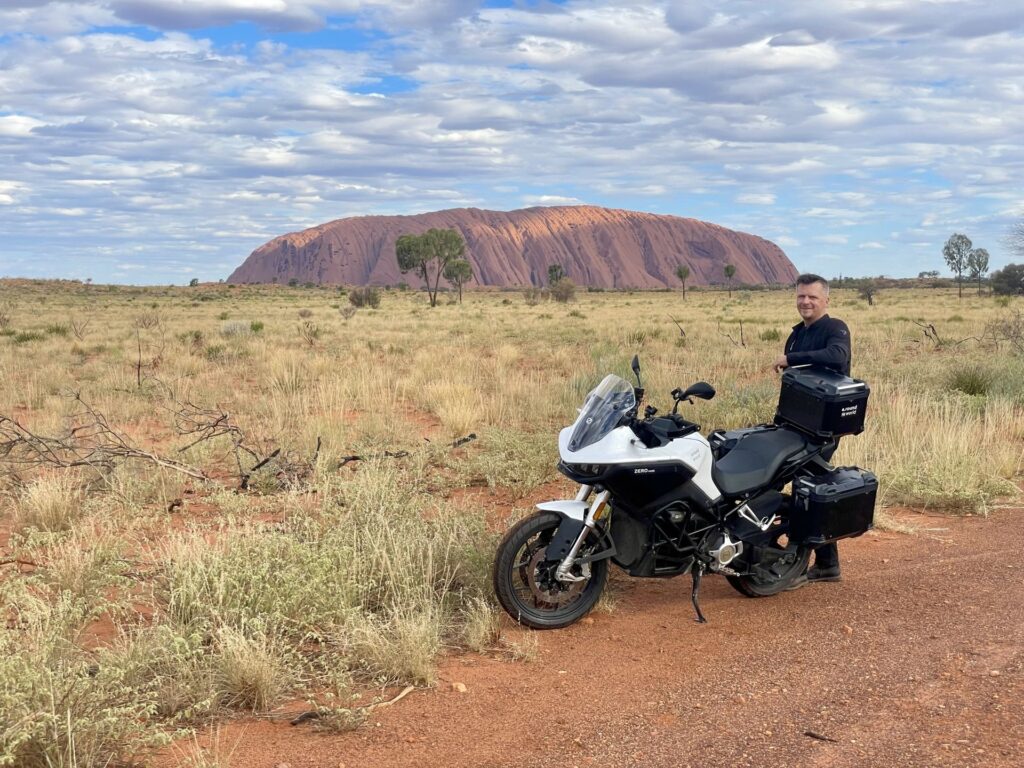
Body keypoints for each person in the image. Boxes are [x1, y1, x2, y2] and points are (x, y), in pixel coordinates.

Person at [771, 273, 851, 586]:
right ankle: (819, 561)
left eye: (812, 297)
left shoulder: (834, 328)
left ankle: (812, 563)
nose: (806, 302)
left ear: (826, 301)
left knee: (808, 488)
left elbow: (837, 357)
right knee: (800, 486)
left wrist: (791, 357)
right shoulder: (797, 334)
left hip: (823, 429)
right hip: (796, 424)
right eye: (801, 296)